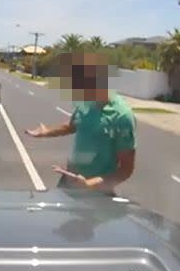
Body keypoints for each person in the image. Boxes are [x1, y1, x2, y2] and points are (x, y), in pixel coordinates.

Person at [25, 52, 136, 195]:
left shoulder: (122, 116)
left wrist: (89, 184)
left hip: (98, 194)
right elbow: (72, 125)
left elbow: (126, 170)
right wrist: (46, 132)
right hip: (68, 181)